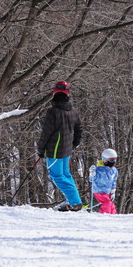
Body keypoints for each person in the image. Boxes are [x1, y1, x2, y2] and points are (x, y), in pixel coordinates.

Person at [37, 81, 83, 212]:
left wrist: (40, 150)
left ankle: (75, 203)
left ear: (55, 93)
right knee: (65, 175)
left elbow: (46, 133)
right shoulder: (73, 111)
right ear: (67, 95)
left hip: (55, 151)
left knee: (57, 176)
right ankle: (74, 201)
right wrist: (75, 143)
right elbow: (79, 129)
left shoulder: (53, 111)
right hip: (67, 149)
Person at [89, 148, 119, 214]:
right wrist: (92, 173)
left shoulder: (114, 170)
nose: (113, 162)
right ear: (105, 160)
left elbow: (114, 181)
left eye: (115, 159)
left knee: (111, 205)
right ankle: (105, 216)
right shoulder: (98, 170)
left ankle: (114, 216)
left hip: (107, 192)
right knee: (107, 203)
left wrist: (113, 192)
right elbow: (91, 180)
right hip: (98, 190)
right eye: (111, 160)